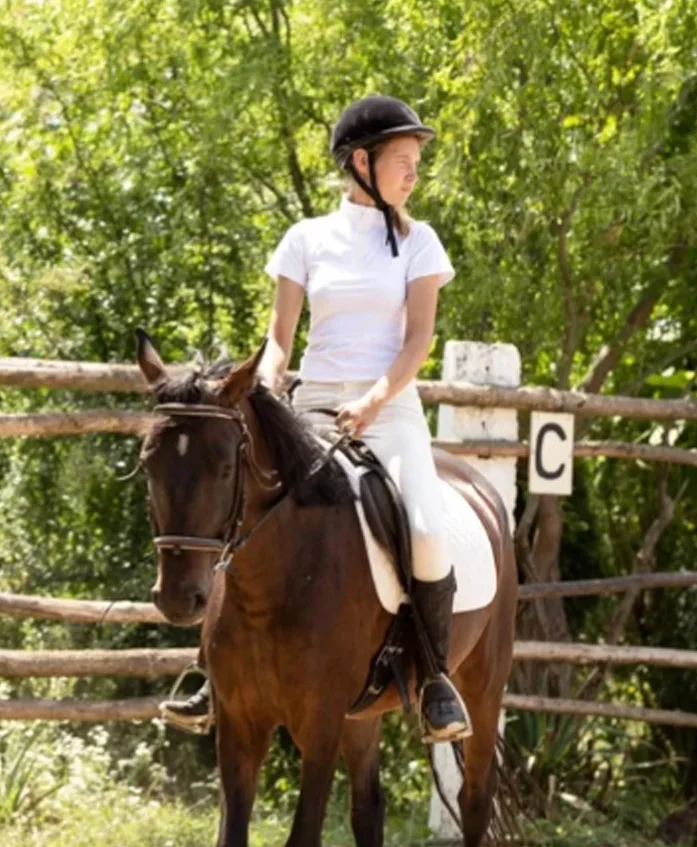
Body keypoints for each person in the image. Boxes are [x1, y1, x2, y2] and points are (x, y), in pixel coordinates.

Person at [160, 95, 470, 742]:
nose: (414, 173)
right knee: (241, 514)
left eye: (417, 161)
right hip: (310, 411)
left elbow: (417, 344)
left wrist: (373, 402)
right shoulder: (305, 239)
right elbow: (280, 337)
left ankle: (436, 678)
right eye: (403, 161)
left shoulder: (421, 242)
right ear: (362, 162)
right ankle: (206, 674)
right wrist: (269, 391)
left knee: (427, 527)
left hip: (389, 413)